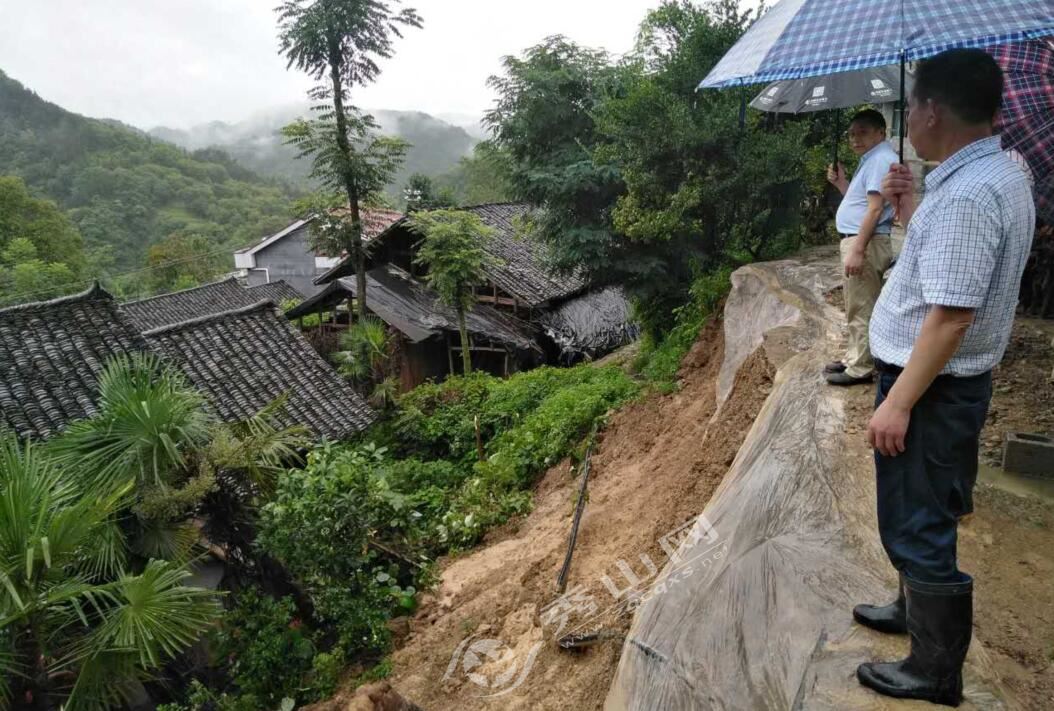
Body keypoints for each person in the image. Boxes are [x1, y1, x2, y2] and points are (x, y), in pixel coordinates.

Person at [854, 49, 1035, 707]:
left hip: (930, 387)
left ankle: (934, 669)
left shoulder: (968, 195)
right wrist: (908, 208)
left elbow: (951, 316)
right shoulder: (996, 171)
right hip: (945, 383)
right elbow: (940, 269)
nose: (912, 120)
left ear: (930, 109)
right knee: (921, 506)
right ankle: (912, 607)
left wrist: (898, 403)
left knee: (920, 516)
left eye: (914, 105)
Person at [825, 109, 900, 386]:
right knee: (857, 303)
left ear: (881, 133)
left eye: (863, 132)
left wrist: (858, 249)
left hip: (864, 242)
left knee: (861, 305)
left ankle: (860, 367)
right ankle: (854, 356)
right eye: (852, 134)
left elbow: (875, 209)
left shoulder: (881, 160)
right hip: (859, 239)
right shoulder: (871, 160)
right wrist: (841, 183)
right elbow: (859, 203)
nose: (855, 139)